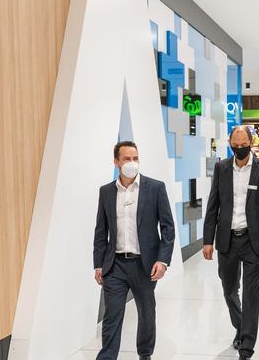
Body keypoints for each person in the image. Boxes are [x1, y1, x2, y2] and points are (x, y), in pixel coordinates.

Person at [202, 126, 259, 360]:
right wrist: (207, 240)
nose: (239, 148)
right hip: (226, 239)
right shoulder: (222, 167)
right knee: (228, 289)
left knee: (251, 294)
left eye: (242, 144)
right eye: (234, 145)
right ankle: (241, 325)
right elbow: (213, 204)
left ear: (250, 141)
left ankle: (246, 346)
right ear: (230, 143)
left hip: (254, 240)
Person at [93, 141, 175, 360]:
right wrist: (98, 264)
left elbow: (167, 227)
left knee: (147, 314)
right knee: (112, 315)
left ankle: (145, 354)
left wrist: (163, 261)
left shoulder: (155, 188)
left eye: (135, 158)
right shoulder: (106, 192)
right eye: (127, 159)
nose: (132, 163)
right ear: (116, 162)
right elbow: (101, 232)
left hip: (145, 264)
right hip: (115, 265)